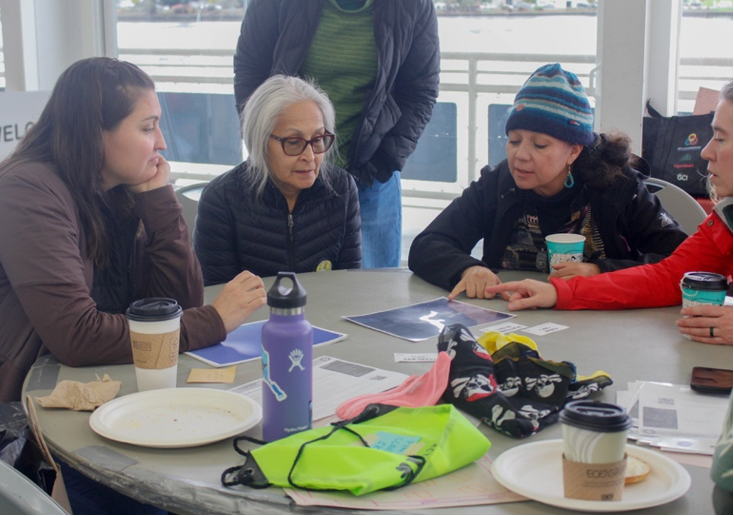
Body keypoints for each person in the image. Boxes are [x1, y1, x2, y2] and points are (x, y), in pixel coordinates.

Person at [0, 57, 267, 405]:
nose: (161, 143)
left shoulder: (115, 188)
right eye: (147, 128)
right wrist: (213, 321)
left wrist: (158, 201)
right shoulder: (27, 191)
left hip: (98, 388)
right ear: (94, 132)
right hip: (28, 408)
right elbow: (77, 336)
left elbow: (179, 306)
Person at [409, 63, 688, 299]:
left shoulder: (619, 187)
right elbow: (428, 244)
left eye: (540, 145)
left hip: (600, 322)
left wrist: (601, 270)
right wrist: (468, 269)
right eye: (513, 141)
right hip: (512, 321)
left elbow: (681, 262)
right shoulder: (498, 183)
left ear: (574, 150)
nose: (520, 156)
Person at [486, 80, 734, 347]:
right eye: (514, 141)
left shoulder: (621, 187)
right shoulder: (725, 220)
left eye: (720, 138)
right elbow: (669, 276)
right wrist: (558, 292)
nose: (706, 151)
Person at [233, 0, 440, 268]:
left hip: (370, 174)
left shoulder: (412, 5)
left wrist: (384, 162)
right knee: (283, 290)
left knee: (371, 297)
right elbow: (250, 70)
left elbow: (421, 91)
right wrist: (267, 147)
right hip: (284, 171)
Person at [194, 75, 362, 283]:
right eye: (293, 142)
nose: (309, 157)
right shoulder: (221, 200)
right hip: (254, 316)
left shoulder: (341, 188)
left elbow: (350, 285)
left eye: (318, 139)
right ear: (260, 141)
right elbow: (217, 298)